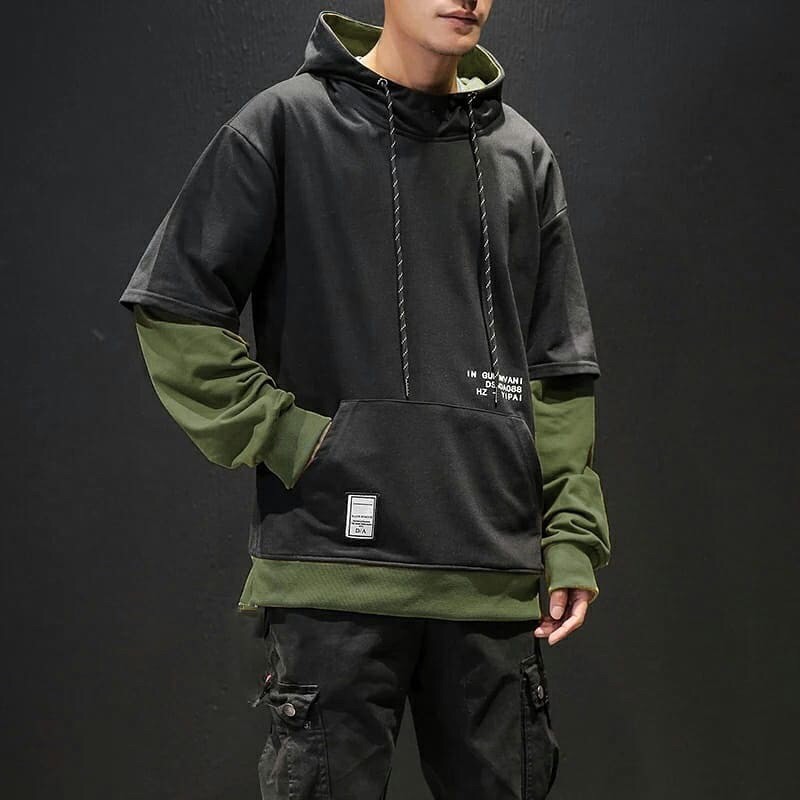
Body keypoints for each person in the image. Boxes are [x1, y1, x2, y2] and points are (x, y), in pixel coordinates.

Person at [119, 3, 611, 798]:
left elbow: (559, 368)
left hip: (490, 570)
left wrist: (572, 534)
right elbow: (175, 307)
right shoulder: (284, 126)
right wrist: (294, 439)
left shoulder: (522, 155)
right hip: (332, 571)